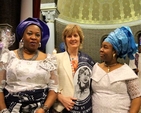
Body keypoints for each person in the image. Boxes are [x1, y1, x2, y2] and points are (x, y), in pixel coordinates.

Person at [0, 17, 58, 113]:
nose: (33, 37)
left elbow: (54, 89)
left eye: (37, 35)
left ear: (40, 39)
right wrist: (3, 110)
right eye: (29, 33)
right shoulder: (8, 56)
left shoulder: (49, 59)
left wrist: (43, 109)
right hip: (11, 109)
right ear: (22, 36)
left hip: (39, 110)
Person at [91, 26, 141, 113]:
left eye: (105, 47)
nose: (101, 50)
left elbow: (136, 97)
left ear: (115, 51)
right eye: (101, 46)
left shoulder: (126, 71)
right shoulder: (96, 67)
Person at [52, 24, 95, 113]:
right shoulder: (56, 58)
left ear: (80, 38)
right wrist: (61, 98)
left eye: (75, 35)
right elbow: (50, 84)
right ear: (65, 39)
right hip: (63, 108)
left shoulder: (88, 60)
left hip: (84, 108)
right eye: (69, 36)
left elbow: (93, 86)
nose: (73, 39)